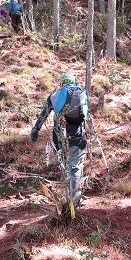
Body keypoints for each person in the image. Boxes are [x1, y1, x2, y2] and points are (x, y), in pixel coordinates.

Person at [29, 73, 89, 206]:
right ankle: (75, 197)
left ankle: (70, 197)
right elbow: (86, 117)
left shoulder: (54, 96)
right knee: (76, 166)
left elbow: (44, 114)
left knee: (65, 165)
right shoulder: (81, 94)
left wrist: (35, 130)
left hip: (60, 138)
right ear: (74, 83)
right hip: (78, 137)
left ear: (62, 83)